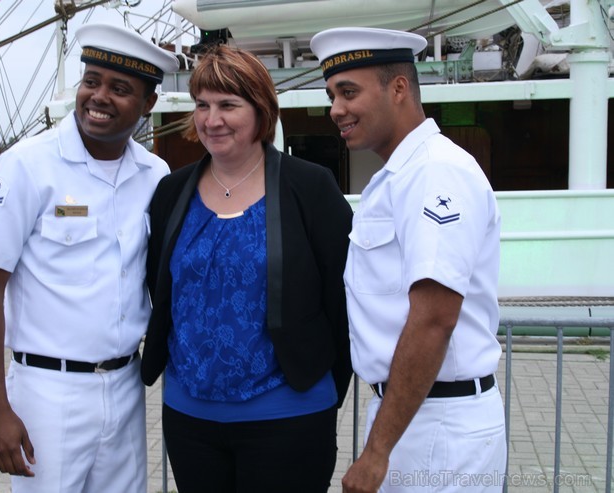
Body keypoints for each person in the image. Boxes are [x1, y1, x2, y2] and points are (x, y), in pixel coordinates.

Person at [0, 22, 178, 493]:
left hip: (124, 386)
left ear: (148, 105)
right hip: (47, 392)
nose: (98, 96)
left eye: (119, 89)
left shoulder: (155, 174)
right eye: (91, 81)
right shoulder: (26, 166)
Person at [140, 44, 353, 493]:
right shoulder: (171, 193)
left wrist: (322, 383)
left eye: (228, 105)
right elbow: (163, 287)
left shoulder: (310, 188)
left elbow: (342, 298)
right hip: (190, 420)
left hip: (289, 419)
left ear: (261, 111)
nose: (211, 119)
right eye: (202, 105)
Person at [310, 27, 506, 493]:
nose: (335, 109)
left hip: (438, 426)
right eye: (332, 94)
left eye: (348, 92)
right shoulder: (400, 174)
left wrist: (376, 453)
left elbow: (434, 318)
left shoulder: (434, 171)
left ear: (398, 88)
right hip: (413, 415)